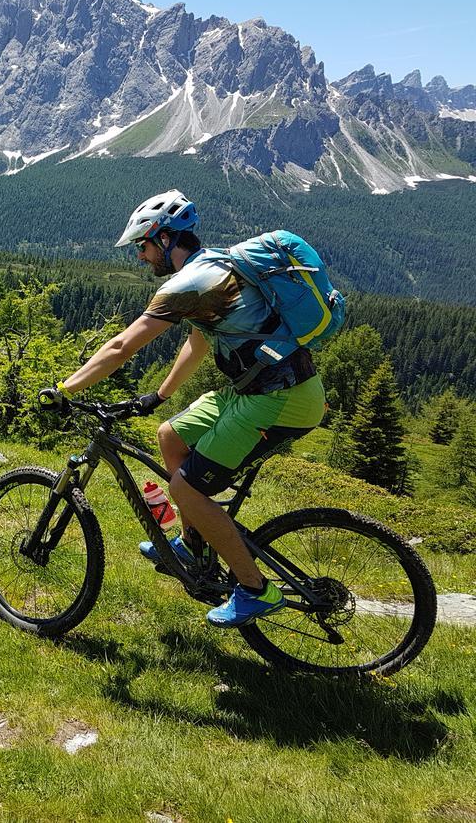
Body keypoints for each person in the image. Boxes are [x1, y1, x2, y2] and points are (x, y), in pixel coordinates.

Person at [39, 189, 326, 627]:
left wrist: (64, 388)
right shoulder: (213, 263)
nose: (140, 256)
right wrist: (161, 395)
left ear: (166, 239)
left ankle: (255, 589)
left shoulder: (187, 285)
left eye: (143, 245)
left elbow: (120, 347)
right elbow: (198, 340)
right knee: (170, 436)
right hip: (256, 390)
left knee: (186, 490)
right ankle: (194, 544)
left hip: (280, 400)